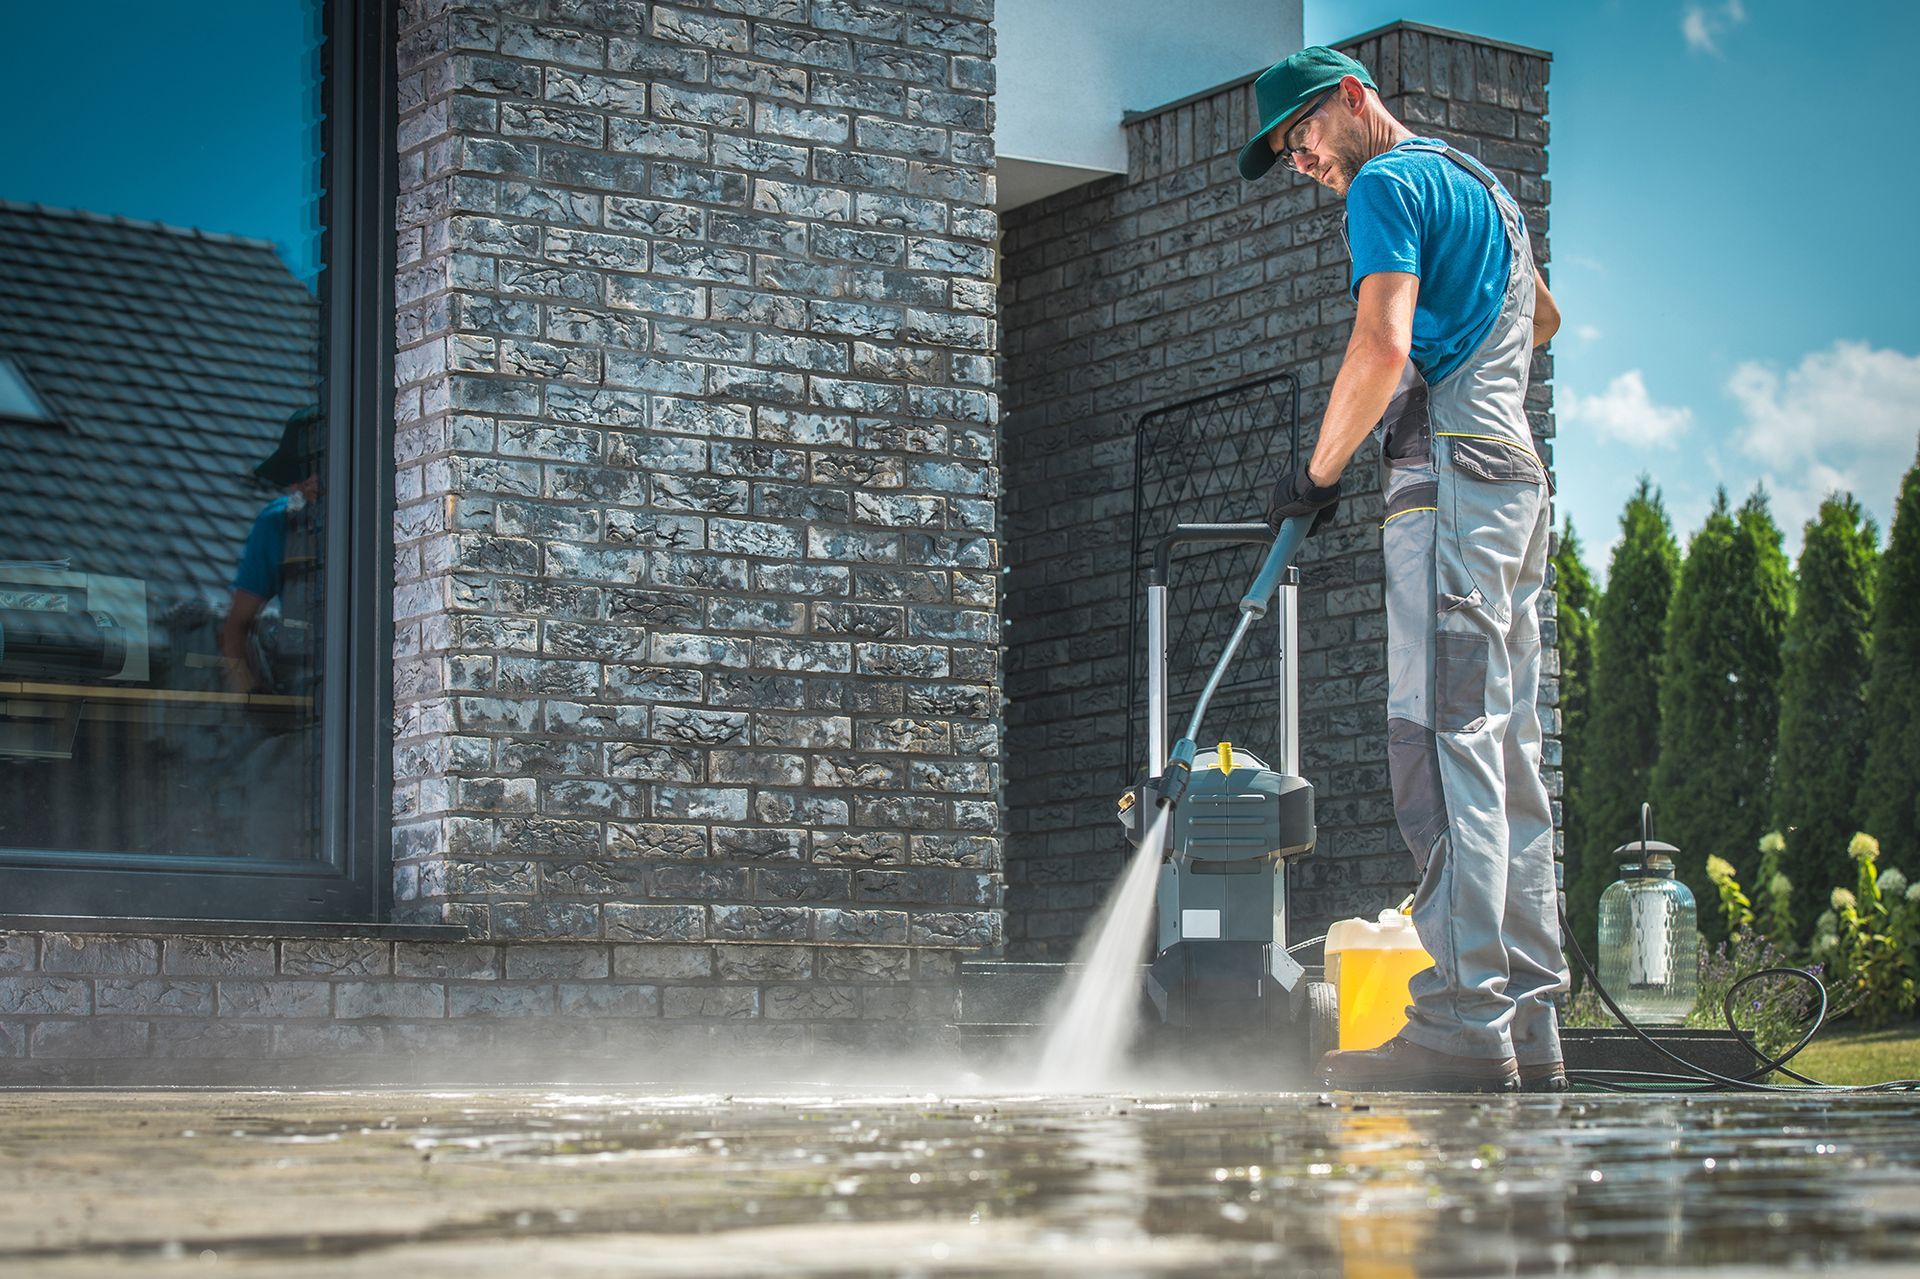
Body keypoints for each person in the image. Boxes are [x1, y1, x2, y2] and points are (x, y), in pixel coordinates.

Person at [1240, 47, 1567, 1092]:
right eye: (1288, 152)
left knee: (1442, 740)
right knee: (1506, 749)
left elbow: (1379, 348)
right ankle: (1527, 1022)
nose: (1300, 159)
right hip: (1514, 477)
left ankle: (1465, 1021)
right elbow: (1543, 320)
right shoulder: (1486, 190)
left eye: (1301, 133)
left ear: (1352, 96)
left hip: (1454, 486)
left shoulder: (1385, 181)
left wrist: (1316, 473)